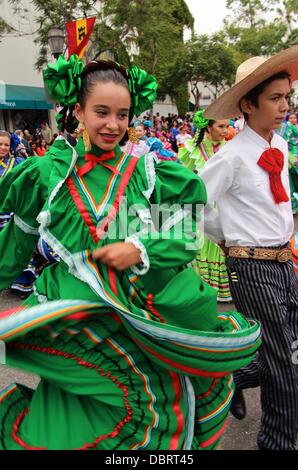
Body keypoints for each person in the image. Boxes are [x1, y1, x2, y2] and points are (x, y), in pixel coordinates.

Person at [0, 54, 261, 450]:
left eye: (122, 115)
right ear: (78, 111)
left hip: (137, 311)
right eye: (101, 112)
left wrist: (141, 248)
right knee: (75, 417)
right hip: (78, 322)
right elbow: (15, 246)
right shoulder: (44, 174)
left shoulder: (146, 170)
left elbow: (188, 229)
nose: (113, 124)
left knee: (155, 411)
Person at [200, 44, 298, 450]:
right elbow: (193, 200)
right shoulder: (231, 156)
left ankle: (229, 377)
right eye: (274, 99)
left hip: (283, 262)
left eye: (287, 98)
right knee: (285, 367)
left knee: (291, 349)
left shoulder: (277, 146)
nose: (284, 107)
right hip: (251, 266)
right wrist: (225, 237)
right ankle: (276, 442)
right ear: (247, 104)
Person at [179, 111, 232, 302]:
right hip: (202, 208)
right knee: (204, 243)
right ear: (208, 127)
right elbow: (184, 180)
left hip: (226, 207)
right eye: (221, 126)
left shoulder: (231, 149)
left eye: (227, 126)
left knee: (224, 243)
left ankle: (226, 288)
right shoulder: (192, 149)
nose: (226, 131)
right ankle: (206, 289)